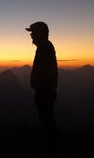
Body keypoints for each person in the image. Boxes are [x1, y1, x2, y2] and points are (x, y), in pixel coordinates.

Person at [25, 21, 59, 152]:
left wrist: (38, 84)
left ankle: (51, 146)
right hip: (45, 90)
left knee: (47, 120)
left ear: (40, 33)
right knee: (47, 119)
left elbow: (45, 72)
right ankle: (51, 144)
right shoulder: (44, 47)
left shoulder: (45, 48)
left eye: (33, 33)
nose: (31, 35)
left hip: (45, 91)